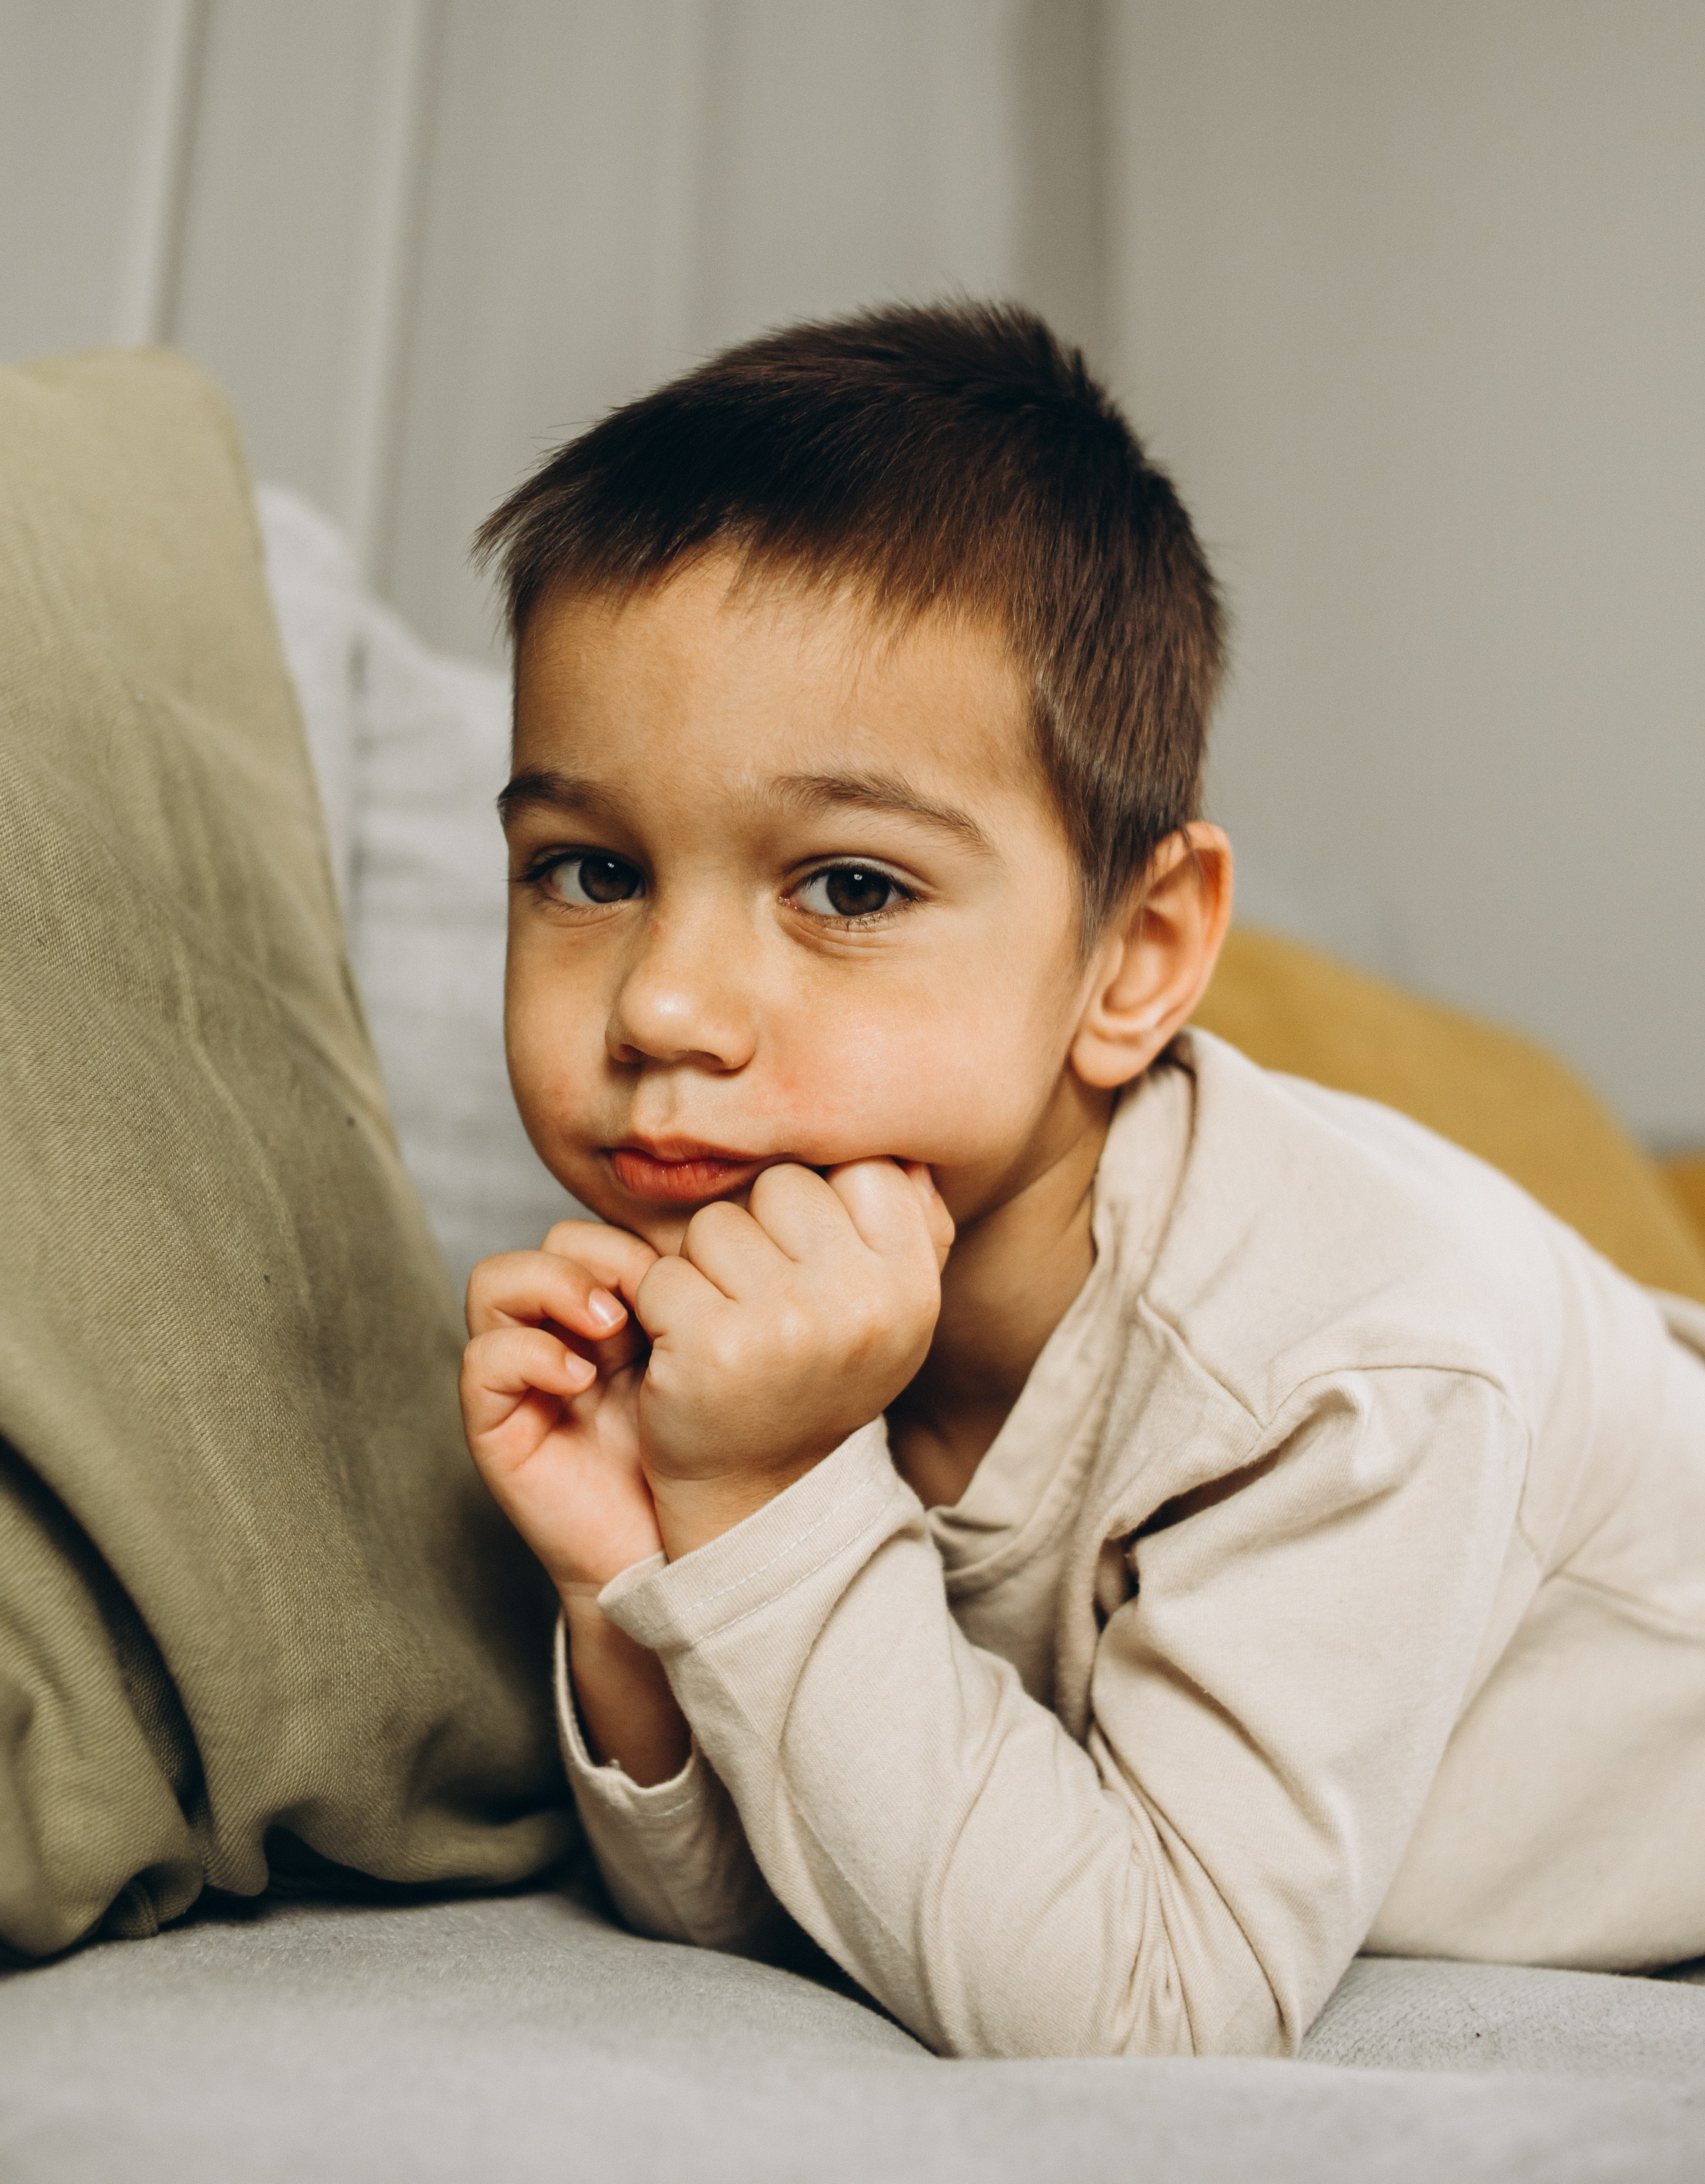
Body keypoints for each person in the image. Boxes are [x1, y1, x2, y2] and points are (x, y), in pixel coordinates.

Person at [457, 302, 1705, 2058]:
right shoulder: (780, 1290)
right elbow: (819, 1892)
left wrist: (764, 1504)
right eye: (586, 871)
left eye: (853, 890)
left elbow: (1146, 2018)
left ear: (1134, 957)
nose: (662, 1001)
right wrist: (632, 1591)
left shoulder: (1349, 1360)